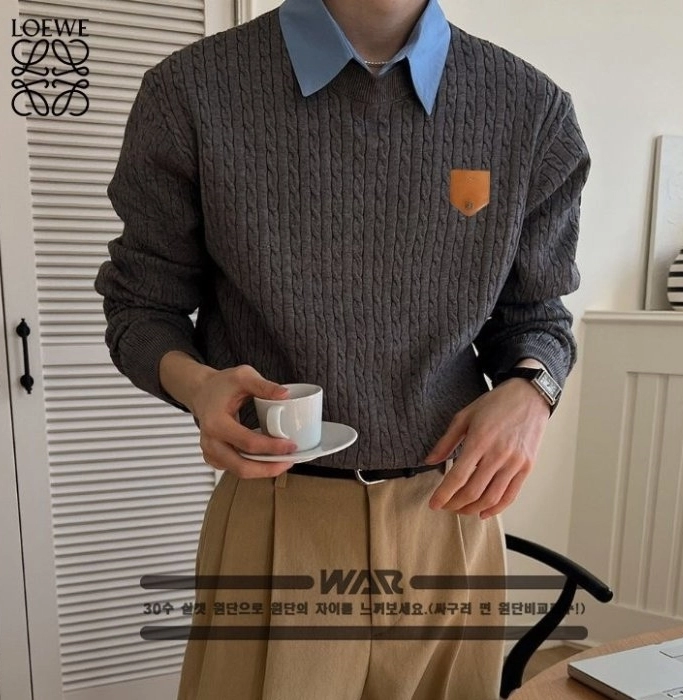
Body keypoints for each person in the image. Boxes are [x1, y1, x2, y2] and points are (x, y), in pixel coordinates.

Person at [95, 0, 590, 697]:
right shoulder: (190, 92)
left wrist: (533, 389)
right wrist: (198, 387)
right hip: (275, 521)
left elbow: (538, 315)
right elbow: (141, 305)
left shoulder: (532, 110)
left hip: (450, 521)